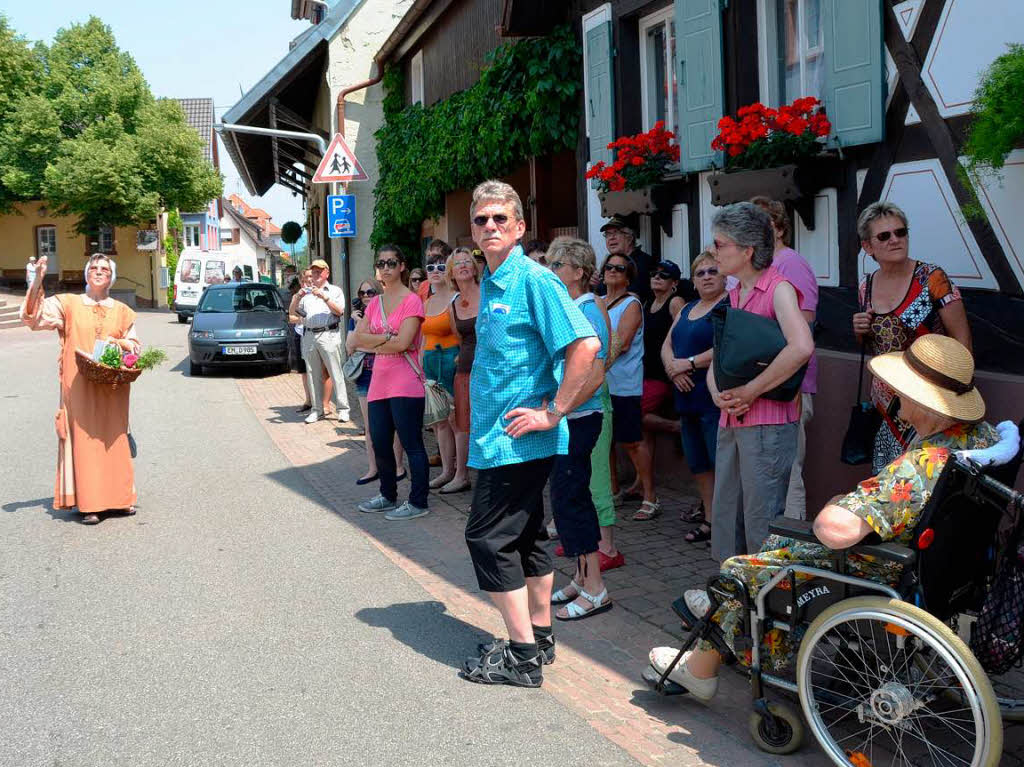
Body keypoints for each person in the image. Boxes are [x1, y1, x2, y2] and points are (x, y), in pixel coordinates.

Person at [649, 335, 997, 699]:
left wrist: (838, 502)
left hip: (884, 569)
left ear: (922, 402)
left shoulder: (921, 466)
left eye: (902, 388)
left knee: (739, 570)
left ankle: (702, 667)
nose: (894, 393)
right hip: (941, 566)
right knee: (780, 543)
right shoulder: (980, 439)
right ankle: (760, 641)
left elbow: (836, 530)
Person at [461, 180, 601, 687]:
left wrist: (554, 411)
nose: (491, 227)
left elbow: (584, 345)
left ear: (520, 227)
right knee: (526, 536)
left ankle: (520, 656)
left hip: (517, 438)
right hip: (504, 438)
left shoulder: (533, 280)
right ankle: (539, 639)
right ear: (474, 230)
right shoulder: (494, 279)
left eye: (501, 219)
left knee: (486, 536)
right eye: (482, 220)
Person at [708, 202, 814, 561]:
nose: (713, 251)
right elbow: (717, 357)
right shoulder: (734, 293)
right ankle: (738, 599)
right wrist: (717, 394)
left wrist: (751, 391)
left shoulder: (779, 288)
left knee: (763, 522)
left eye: (720, 244)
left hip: (767, 424)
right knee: (730, 516)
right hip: (734, 420)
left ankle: (765, 605)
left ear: (747, 250)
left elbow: (802, 346)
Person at [20, 254, 141, 525]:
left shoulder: (123, 310)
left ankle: (120, 499)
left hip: (112, 385)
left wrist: (123, 345)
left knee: (113, 437)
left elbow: (134, 345)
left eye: (105, 269)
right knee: (85, 441)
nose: (99, 272)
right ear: (87, 274)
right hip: (78, 386)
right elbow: (33, 318)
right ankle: (90, 504)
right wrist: (38, 278)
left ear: (112, 276)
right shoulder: (68, 303)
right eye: (94, 268)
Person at [852, 201, 972, 473]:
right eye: (884, 236)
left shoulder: (932, 278)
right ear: (868, 247)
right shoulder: (866, 286)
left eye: (901, 232)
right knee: (890, 481)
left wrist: (956, 396)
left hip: (931, 401)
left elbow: (962, 341)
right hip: (887, 404)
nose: (895, 239)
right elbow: (873, 347)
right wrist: (860, 330)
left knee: (926, 480)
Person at [547, 237, 615, 619]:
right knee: (566, 499)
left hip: (579, 419)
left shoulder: (586, 309)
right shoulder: (574, 306)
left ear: (578, 272)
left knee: (573, 500)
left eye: (559, 265)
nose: (553, 271)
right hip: (571, 418)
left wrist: (560, 407)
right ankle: (580, 577)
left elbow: (596, 372)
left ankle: (595, 589)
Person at [751, 196, 819, 521]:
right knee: (768, 470)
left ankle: (791, 550)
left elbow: (803, 325)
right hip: (761, 381)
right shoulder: (756, 265)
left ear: (779, 229)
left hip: (789, 382)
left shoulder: (790, 263)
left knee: (788, 470)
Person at [351, 245, 430, 520]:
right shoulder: (374, 304)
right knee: (380, 442)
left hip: (406, 382)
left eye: (392, 262)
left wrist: (375, 341)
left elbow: (405, 342)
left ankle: (418, 501)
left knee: (412, 444)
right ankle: (387, 495)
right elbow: (354, 341)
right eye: (381, 263)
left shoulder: (412, 301)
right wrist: (388, 341)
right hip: (379, 382)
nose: (386, 267)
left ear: (402, 266)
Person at [662, 251, 728, 544]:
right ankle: (711, 521)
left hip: (713, 398)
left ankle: (727, 526)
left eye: (713, 271)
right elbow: (667, 345)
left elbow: (725, 346)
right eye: (700, 273)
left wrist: (687, 363)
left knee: (720, 464)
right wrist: (673, 370)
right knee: (699, 464)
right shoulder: (687, 308)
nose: (707, 277)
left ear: (725, 275)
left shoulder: (730, 306)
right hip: (685, 399)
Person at [602, 252, 659, 521]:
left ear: (628, 277)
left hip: (624, 384)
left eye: (619, 268)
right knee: (607, 442)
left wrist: (592, 363)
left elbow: (622, 343)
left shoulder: (631, 304)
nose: (613, 271)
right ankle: (613, 490)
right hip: (602, 384)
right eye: (609, 267)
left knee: (632, 441)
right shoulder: (600, 301)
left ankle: (650, 496)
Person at [622, 260, 685, 501]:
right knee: (644, 432)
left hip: (664, 374)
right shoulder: (648, 303)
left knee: (635, 415)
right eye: (654, 273)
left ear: (674, 283)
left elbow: (685, 330)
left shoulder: (675, 302)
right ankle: (641, 481)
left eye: (664, 275)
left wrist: (678, 366)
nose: (657, 278)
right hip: (644, 371)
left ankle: (676, 427)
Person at [346, 278, 406, 485]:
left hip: (388, 371)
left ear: (379, 293)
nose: (366, 296)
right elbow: (349, 346)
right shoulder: (356, 318)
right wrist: (358, 330)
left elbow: (393, 344)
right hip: (364, 373)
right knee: (370, 426)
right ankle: (374, 468)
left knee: (393, 424)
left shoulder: (387, 313)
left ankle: (398, 466)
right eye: (362, 293)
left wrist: (367, 343)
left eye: (370, 292)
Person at [293, 259, 350, 424]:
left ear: (327, 273)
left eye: (319, 271)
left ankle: (343, 409)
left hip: (328, 334)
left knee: (335, 373)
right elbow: (297, 314)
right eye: (314, 272)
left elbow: (339, 312)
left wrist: (324, 297)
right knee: (312, 374)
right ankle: (317, 410)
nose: (316, 275)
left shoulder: (335, 291)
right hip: (309, 335)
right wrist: (297, 298)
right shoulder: (307, 293)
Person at [421, 250, 460, 489]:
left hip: (451, 362)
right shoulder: (426, 302)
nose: (435, 271)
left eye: (441, 267)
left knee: (456, 419)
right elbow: (420, 339)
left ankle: (461, 472)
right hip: (430, 363)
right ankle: (447, 470)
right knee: (438, 421)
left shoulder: (457, 298)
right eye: (430, 267)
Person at [444, 247, 481, 494]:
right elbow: (459, 337)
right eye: (458, 264)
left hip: (490, 369)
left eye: (468, 261)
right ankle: (461, 475)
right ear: (451, 273)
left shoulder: (488, 293)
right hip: (465, 370)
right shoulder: (453, 304)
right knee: (464, 423)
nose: (464, 265)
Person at [288, 268, 334, 416]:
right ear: (302, 281)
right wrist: (303, 319)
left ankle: (325, 404)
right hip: (301, 334)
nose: (309, 279)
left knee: (324, 370)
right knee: (304, 371)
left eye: (311, 276)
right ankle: (309, 401)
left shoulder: (321, 292)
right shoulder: (299, 295)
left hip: (319, 335)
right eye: (306, 277)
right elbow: (291, 317)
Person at [593, 217, 655, 302]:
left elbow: (632, 298)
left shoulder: (643, 262)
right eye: (608, 234)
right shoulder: (608, 263)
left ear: (629, 238)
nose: (611, 238)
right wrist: (592, 284)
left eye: (616, 233)